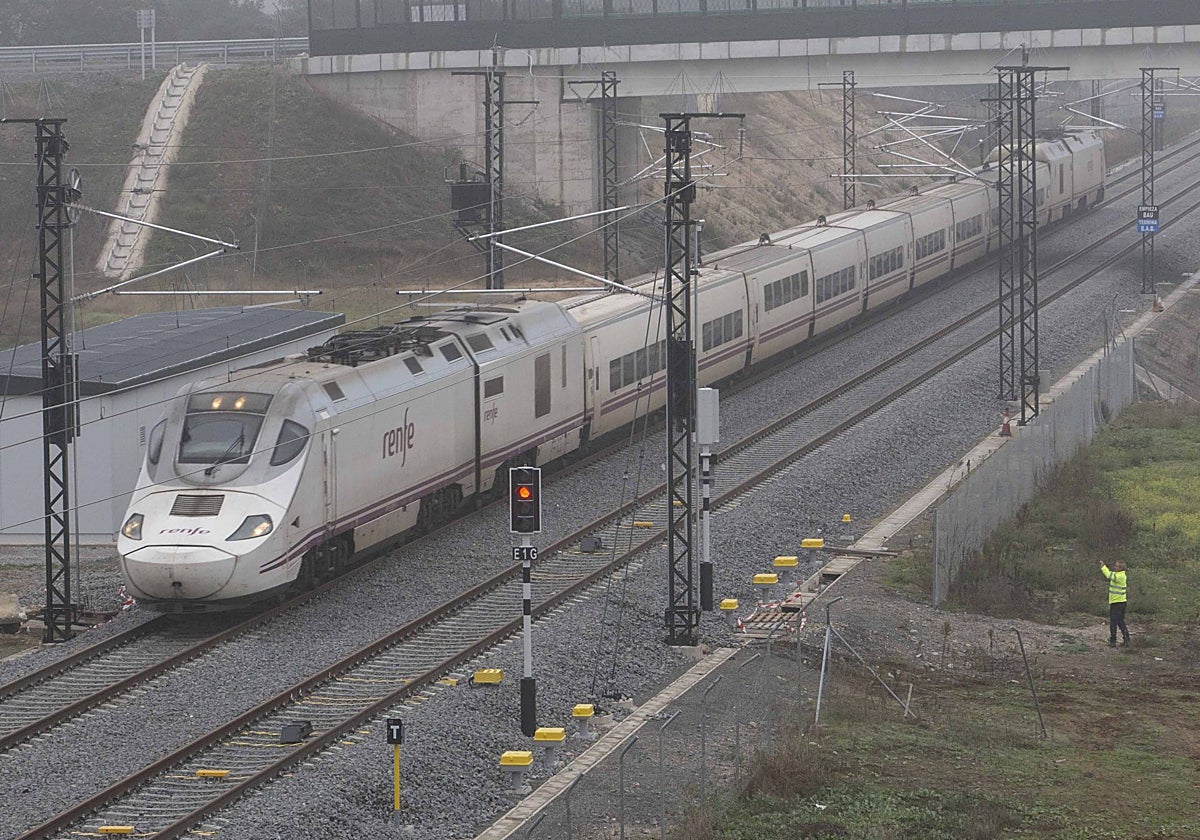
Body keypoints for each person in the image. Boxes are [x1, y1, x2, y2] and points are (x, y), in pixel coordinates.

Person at [1101, 560, 1129, 648]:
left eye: (1117, 566)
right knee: (1120, 622)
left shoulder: (1120, 576)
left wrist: (1103, 567)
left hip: (1117, 603)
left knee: (1114, 623)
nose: (1115, 567)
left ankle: (1113, 640)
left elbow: (1109, 575)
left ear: (1121, 568)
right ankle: (1126, 639)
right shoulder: (1120, 575)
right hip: (1120, 602)